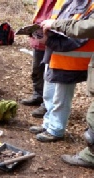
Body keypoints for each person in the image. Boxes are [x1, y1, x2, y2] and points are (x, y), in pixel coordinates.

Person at [29, 0, 94, 143]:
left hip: (71, 61)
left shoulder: (91, 6)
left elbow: (80, 36)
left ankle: (56, 130)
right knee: (49, 95)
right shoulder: (67, 2)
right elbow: (56, 24)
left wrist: (49, 41)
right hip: (54, 56)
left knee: (61, 98)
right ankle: (48, 124)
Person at [40, 8, 94, 168]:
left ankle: (90, 156)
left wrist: (55, 27)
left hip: (70, 61)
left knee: (91, 117)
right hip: (59, 57)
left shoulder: (89, 7)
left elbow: (85, 28)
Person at [20, 0, 57, 118]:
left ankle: (47, 104)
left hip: (53, 41)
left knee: (50, 75)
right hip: (39, 40)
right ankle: (38, 95)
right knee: (36, 70)